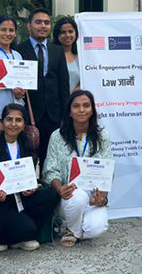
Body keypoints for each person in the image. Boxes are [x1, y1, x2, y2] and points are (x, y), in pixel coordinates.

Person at [0, 103, 59, 252]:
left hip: (20, 198)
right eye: (9, 119)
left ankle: (17, 235)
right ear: (2, 121)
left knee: (52, 194)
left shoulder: (27, 145)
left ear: (24, 124)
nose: (13, 124)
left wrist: (31, 187)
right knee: (28, 229)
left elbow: (29, 175)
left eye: (18, 120)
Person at [43, 90, 113, 246]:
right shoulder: (57, 136)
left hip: (92, 198)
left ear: (92, 110)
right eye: (76, 106)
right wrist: (60, 188)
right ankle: (72, 231)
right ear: (69, 111)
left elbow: (107, 170)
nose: (81, 110)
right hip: (66, 196)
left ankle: (74, 229)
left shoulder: (103, 136)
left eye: (86, 106)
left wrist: (103, 197)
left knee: (96, 228)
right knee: (78, 196)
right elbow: (50, 169)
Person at [18, 8, 71, 165]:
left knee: (52, 160)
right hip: (29, 113)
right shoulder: (19, 50)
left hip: (54, 115)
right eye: (38, 22)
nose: (43, 26)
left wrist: (65, 115)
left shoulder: (58, 50)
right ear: (29, 25)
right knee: (28, 159)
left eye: (47, 23)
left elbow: (63, 84)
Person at [54, 17, 82, 92]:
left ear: (76, 33)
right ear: (57, 35)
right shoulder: (51, 55)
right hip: (55, 101)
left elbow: (84, 81)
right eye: (63, 32)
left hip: (75, 100)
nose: (67, 35)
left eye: (70, 31)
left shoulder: (82, 57)